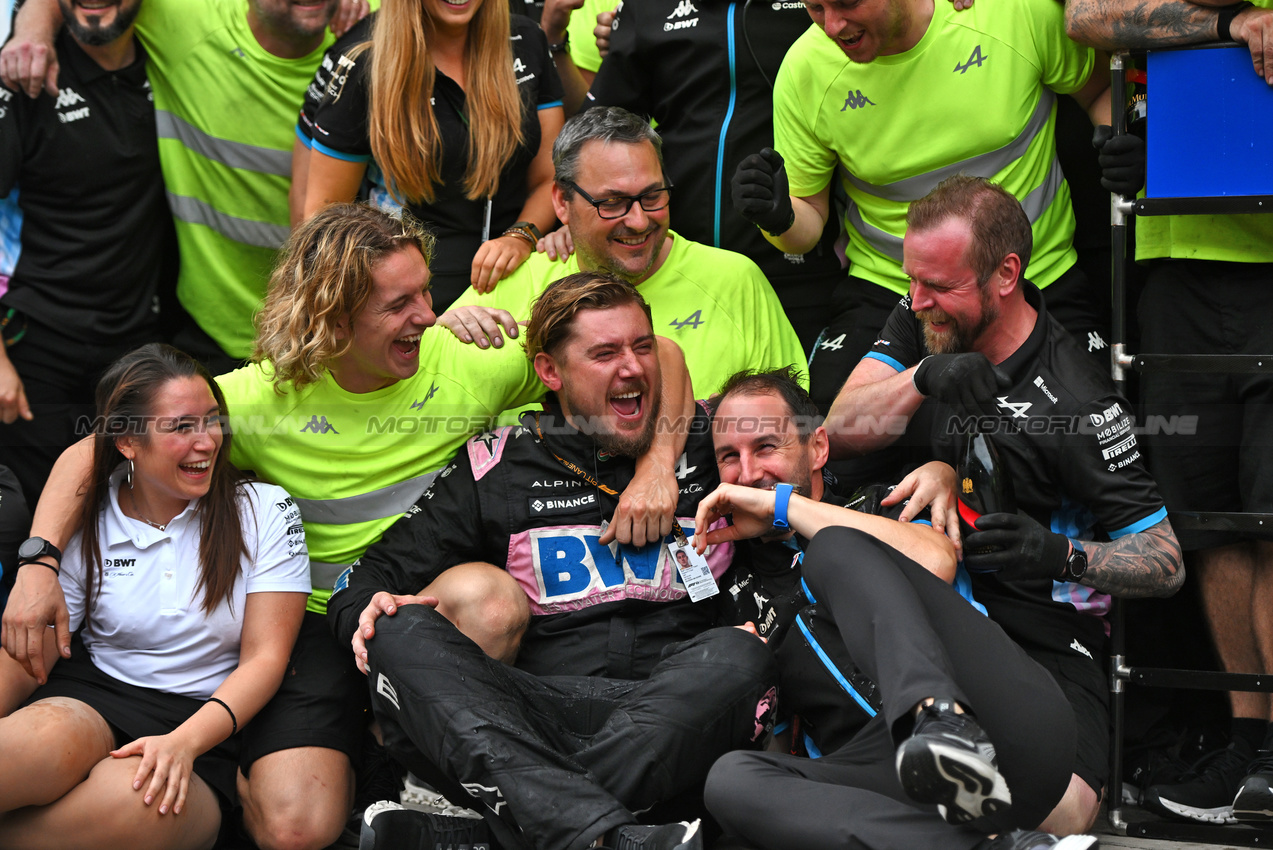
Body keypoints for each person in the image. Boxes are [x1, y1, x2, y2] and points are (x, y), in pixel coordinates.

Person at [3, 203, 692, 850]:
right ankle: (285, 771)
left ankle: (427, 781)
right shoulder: (256, 398)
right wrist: (38, 565)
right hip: (313, 626)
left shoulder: (466, 362)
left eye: (426, 293)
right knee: (291, 823)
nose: (430, 315)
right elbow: (90, 454)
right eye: (400, 305)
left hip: (426, 619)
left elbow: (656, 350)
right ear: (333, 319)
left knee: (488, 597)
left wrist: (658, 466)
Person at [328, 272, 777, 850]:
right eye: (604, 353)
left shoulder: (709, 443)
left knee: (742, 655)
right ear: (549, 371)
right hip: (528, 713)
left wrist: (937, 468)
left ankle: (495, 835)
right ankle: (603, 834)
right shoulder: (500, 464)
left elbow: (805, 481)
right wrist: (366, 614)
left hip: (674, 708)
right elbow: (361, 581)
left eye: (641, 347)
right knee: (396, 625)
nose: (633, 367)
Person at [828, 175, 1184, 832]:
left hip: (1042, 633)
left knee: (1067, 814)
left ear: (1004, 274)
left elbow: (1163, 562)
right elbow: (840, 429)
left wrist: (1058, 553)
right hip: (932, 605)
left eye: (938, 286)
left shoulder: (1075, 396)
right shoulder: (919, 317)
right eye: (911, 279)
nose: (917, 300)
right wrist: (922, 377)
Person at [696, 369, 1104, 850]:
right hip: (898, 782)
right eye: (730, 457)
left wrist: (782, 507)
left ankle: (940, 727)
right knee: (729, 781)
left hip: (998, 723)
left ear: (818, 448)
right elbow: (780, 746)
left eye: (765, 447)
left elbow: (936, 560)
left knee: (832, 550)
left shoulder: (885, 504)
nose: (747, 474)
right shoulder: (735, 593)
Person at [1065, 0, 1273, 825]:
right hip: (1176, 259)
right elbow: (1086, 18)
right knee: (1208, 519)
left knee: (1267, 517)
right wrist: (1232, 24)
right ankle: (1247, 750)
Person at [730, 0, 1113, 413]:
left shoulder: (1013, 13)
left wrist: (1114, 137)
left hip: (1030, 278)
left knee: (1094, 432)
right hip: (893, 290)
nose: (832, 25)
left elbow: (1101, 90)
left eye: (845, 3)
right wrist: (779, 214)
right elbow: (807, 220)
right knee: (827, 439)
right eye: (815, 7)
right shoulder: (806, 67)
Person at [0, 343, 311, 850]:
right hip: (98, 693)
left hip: (205, 719)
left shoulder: (263, 510)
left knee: (137, 803)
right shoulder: (90, 513)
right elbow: (31, 649)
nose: (207, 442)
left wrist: (183, 744)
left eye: (212, 421)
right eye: (182, 427)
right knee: (27, 748)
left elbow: (266, 659)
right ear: (127, 442)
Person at [0, 0, 366, 372]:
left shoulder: (373, 31)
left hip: (330, 330)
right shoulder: (185, 19)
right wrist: (31, 32)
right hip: (207, 337)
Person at [445, 106, 806, 402]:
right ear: (562, 202)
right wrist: (443, 330)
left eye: (652, 196)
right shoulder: (517, 279)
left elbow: (792, 422)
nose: (637, 221)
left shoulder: (734, 280)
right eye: (612, 203)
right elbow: (427, 384)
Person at [575, 0, 846, 351]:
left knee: (801, 401)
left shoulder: (813, 8)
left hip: (797, 262)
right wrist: (569, 217)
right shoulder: (646, 9)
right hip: (681, 264)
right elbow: (595, 135)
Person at [0, 0, 175, 508]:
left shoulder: (169, 59)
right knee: (29, 529)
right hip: (38, 349)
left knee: (122, 533)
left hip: (139, 349)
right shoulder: (26, 72)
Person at [294, 0, 565, 311]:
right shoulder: (363, 62)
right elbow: (325, 220)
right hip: (413, 298)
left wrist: (520, 236)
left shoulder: (526, 38)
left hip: (517, 278)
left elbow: (551, 178)